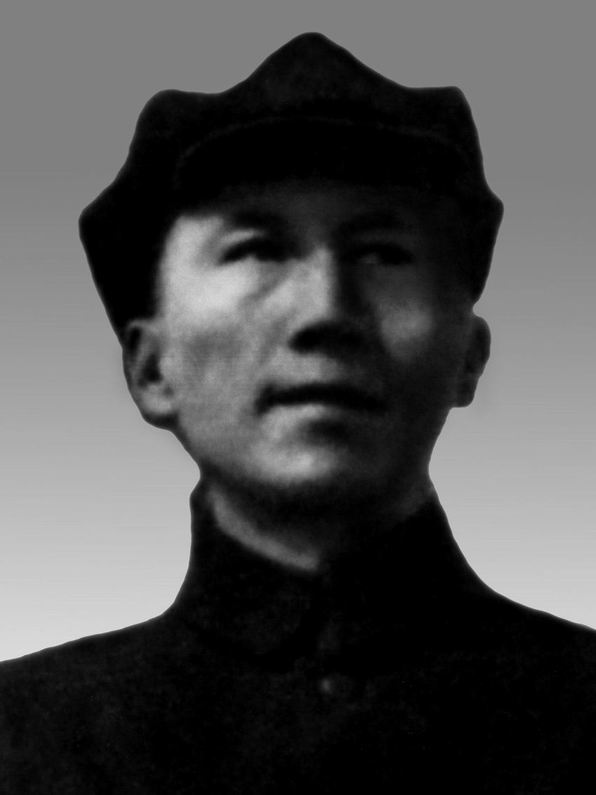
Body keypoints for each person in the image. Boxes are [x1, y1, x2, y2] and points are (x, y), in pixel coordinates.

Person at [1, 32, 594, 794]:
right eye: (258, 249)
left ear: (469, 356)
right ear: (151, 368)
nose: (326, 312)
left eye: (382, 253)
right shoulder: (25, 739)